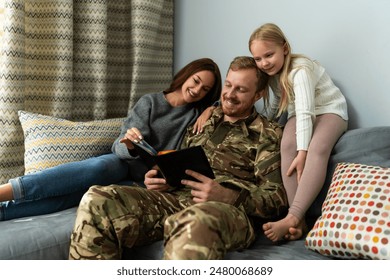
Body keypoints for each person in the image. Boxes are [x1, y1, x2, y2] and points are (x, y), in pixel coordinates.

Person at [68, 56, 288, 260]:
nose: (229, 94)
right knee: (98, 199)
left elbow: (276, 200)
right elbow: (178, 161)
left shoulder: (269, 134)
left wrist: (229, 196)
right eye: (228, 85)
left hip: (226, 211)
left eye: (241, 89)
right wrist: (159, 179)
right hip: (175, 199)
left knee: (194, 222)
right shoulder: (204, 119)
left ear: (258, 95)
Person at [0, 58, 222, 221]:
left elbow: (231, 102)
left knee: (78, 195)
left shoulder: (196, 115)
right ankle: (5, 191)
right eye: (195, 81)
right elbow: (118, 147)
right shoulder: (150, 103)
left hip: (143, 182)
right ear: (185, 75)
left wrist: (212, 109)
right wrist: (130, 145)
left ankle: (3, 213)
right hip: (121, 165)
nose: (196, 90)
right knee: (99, 166)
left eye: (205, 89)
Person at [248, 23, 348, 242]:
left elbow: (306, 111)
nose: (264, 63)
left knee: (317, 147)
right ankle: (299, 221)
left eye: (269, 55)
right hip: (300, 112)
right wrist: (267, 122)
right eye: (258, 59)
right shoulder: (272, 73)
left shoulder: (300, 70)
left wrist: (303, 152)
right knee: (286, 145)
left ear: (284, 48)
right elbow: (277, 104)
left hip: (329, 110)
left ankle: (293, 216)